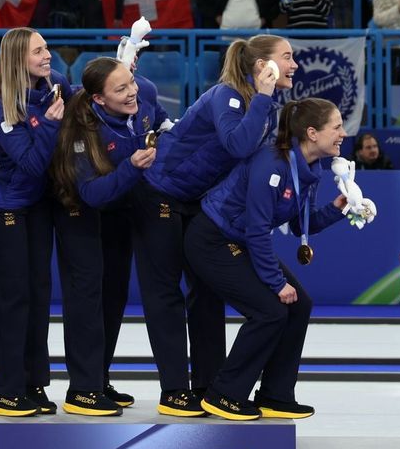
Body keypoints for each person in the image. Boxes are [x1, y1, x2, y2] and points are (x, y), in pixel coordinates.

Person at [140, 35, 292, 414]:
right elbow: (237, 146)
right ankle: (173, 390)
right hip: (160, 192)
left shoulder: (262, 103)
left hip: (196, 199)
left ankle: (208, 385)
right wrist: (263, 96)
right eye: (287, 57)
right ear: (263, 67)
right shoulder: (228, 95)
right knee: (166, 295)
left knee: (206, 294)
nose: (294, 64)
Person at [186, 98, 350, 420]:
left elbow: (301, 224)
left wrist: (339, 208)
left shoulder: (309, 169)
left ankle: (275, 395)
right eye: (337, 126)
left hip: (240, 240)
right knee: (270, 311)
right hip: (213, 240)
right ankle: (224, 394)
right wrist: (276, 283)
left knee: (299, 304)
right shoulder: (271, 164)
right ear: (313, 133)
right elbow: (258, 230)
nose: (343, 133)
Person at [49, 57, 166, 416]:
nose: (132, 92)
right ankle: (81, 390)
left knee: (112, 297)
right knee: (86, 299)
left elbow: (161, 122)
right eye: (121, 89)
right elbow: (91, 193)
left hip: (119, 211)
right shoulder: (82, 129)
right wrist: (132, 166)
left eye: (130, 82)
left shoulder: (143, 92)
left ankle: (98, 380)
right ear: (99, 99)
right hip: (79, 212)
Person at [0, 29, 68, 417]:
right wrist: (47, 125)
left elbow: (88, 92)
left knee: (38, 295)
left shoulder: (54, 86)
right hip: (2, 206)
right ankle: (6, 390)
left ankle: (33, 383)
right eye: (39, 51)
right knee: (12, 300)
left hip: (35, 204)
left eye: (47, 48)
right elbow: (30, 163)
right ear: (18, 59)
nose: (49, 55)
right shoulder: (1, 107)